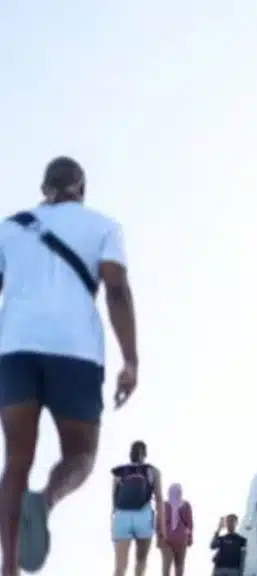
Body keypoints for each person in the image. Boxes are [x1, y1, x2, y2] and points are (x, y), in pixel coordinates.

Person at [0, 156, 138, 574]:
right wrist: (130, 360)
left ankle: (8, 569)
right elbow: (116, 291)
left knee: (16, 459)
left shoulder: (8, 229)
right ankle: (45, 501)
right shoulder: (103, 227)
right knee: (80, 454)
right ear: (82, 187)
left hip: (15, 349)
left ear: (45, 190)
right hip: (75, 352)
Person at [112, 440, 164, 576]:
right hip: (143, 516)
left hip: (122, 517)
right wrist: (161, 527)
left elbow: (114, 500)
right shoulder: (153, 471)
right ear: (145, 454)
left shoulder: (119, 472)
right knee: (141, 560)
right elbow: (159, 499)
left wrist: (114, 520)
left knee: (120, 566)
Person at [159, 483, 193, 576]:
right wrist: (190, 538)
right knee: (177, 566)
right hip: (174, 539)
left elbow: (189, 523)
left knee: (172, 566)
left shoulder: (166, 505)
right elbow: (189, 524)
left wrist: (159, 539)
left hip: (171, 539)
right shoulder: (167, 505)